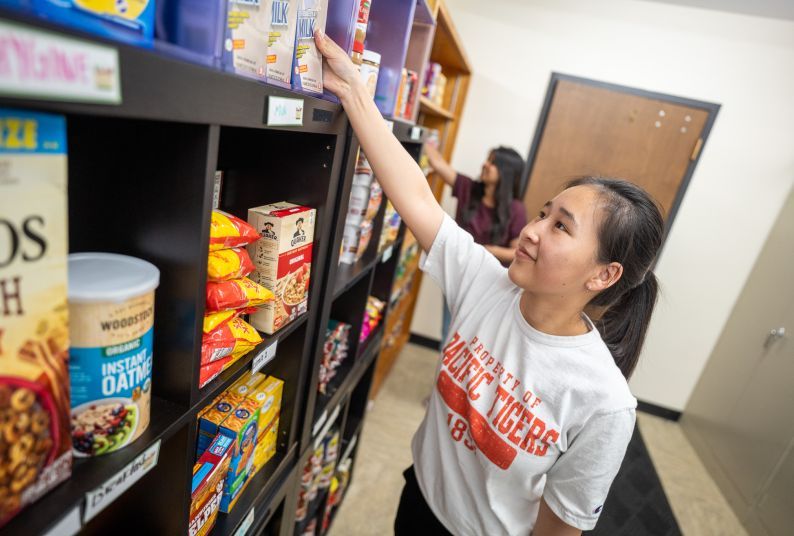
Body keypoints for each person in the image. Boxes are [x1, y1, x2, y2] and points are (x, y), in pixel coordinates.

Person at [315, 30, 664, 536]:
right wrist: (352, 90)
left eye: (560, 226)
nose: (531, 230)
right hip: (418, 500)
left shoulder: (604, 403)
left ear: (604, 274)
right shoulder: (485, 281)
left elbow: (558, 529)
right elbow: (414, 193)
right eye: (543, 213)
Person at [425, 143, 527, 344]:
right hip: (458, 275)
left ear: (506, 173)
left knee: (477, 339)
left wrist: (486, 250)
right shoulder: (468, 188)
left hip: (491, 285)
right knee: (448, 333)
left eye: (493, 163)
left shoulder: (516, 209)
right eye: (487, 160)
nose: (485, 165)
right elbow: (436, 163)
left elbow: (516, 252)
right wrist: (424, 135)